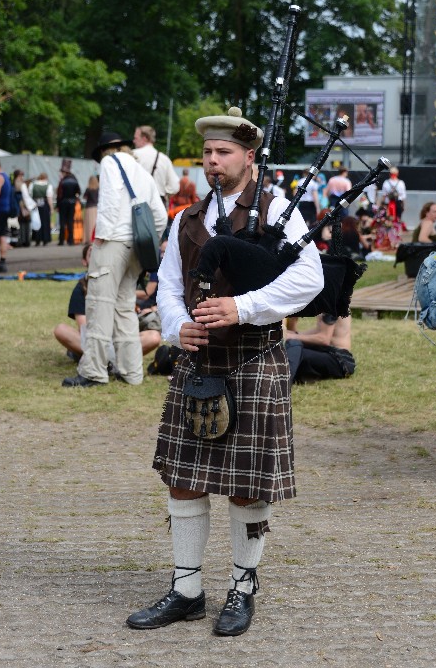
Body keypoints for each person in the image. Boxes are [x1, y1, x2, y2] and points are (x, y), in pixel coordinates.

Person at [126, 106, 323, 636]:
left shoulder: (279, 209)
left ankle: (243, 586)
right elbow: (169, 284)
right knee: (184, 480)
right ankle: (187, 590)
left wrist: (243, 307)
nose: (213, 162)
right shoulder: (188, 217)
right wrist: (174, 326)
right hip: (199, 361)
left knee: (246, 485)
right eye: (208, 154)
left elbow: (310, 279)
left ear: (248, 156)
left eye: (224, 153)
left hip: (254, 356)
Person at [62, 131, 167, 387]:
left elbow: (108, 200)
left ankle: (93, 372)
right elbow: (161, 215)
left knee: (99, 306)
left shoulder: (111, 163)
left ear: (105, 151)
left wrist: (101, 239)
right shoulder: (143, 173)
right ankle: (131, 372)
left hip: (112, 243)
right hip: (136, 249)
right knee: (124, 308)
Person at [54, 243, 162, 363]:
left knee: (153, 337)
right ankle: (106, 360)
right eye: (92, 254)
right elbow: (85, 329)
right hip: (94, 340)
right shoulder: (81, 288)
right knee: (61, 330)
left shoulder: (120, 282)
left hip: (120, 339)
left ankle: (106, 360)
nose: (97, 257)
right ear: (84, 262)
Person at [284, 313, 355, 384]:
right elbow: (319, 331)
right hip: (325, 352)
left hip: (339, 360)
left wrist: (290, 336)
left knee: (293, 349)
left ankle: (282, 380)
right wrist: (293, 333)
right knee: (290, 347)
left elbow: (324, 339)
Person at [133, 125, 180, 207]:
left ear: (144, 138)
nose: (133, 141)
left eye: (136, 138)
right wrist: (162, 193)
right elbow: (174, 187)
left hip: (136, 203)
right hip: (158, 204)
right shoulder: (164, 159)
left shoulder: (132, 155)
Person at [56, 160, 81, 246]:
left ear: (64, 172)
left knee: (62, 222)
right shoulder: (75, 180)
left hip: (63, 203)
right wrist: (74, 198)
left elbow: (59, 194)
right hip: (72, 202)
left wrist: (58, 205)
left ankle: (61, 240)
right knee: (70, 221)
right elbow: (79, 192)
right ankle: (71, 240)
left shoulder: (62, 182)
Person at [13, 169, 36, 248]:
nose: (22, 177)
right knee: (24, 223)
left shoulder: (18, 183)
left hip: (22, 205)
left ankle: (24, 240)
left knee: (24, 223)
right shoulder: (20, 184)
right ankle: (24, 240)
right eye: (21, 175)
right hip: (23, 205)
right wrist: (30, 205)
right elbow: (24, 196)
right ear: (18, 176)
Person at [29, 172, 54, 246]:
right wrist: (52, 208)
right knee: (45, 222)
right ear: (46, 177)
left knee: (36, 222)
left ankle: (37, 239)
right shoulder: (48, 185)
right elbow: (49, 198)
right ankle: (45, 239)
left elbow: (30, 195)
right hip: (44, 205)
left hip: (35, 205)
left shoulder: (33, 184)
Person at [82, 175, 99, 243]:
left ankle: (88, 238)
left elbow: (84, 197)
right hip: (96, 207)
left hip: (89, 207)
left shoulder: (88, 189)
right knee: (95, 223)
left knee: (89, 224)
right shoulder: (98, 189)